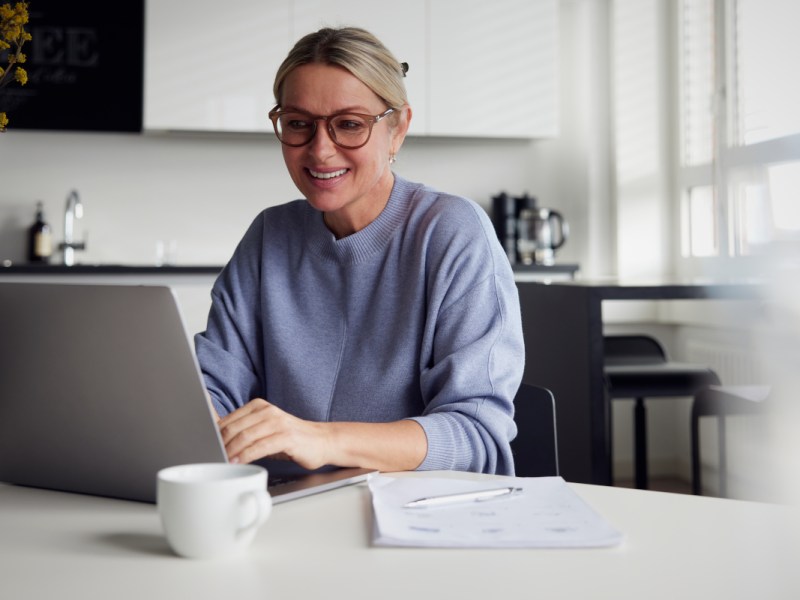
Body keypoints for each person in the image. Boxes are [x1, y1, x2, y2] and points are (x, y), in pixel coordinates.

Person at [195, 26, 524, 479]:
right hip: (281, 513)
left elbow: (475, 436)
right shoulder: (270, 235)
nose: (320, 150)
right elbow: (212, 387)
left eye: (349, 124)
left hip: (414, 520)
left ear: (398, 128)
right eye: (298, 124)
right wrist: (198, 423)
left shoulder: (451, 233)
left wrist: (320, 439)